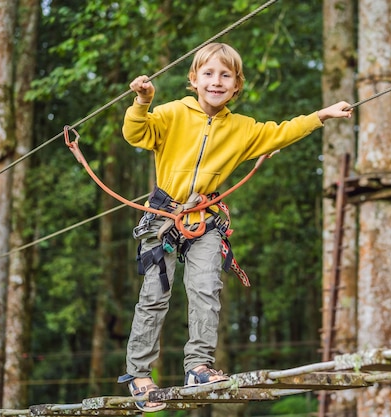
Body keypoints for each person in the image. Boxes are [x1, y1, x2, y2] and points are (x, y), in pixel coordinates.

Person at [117, 42, 352, 412]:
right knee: (154, 295)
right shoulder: (172, 113)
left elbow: (282, 132)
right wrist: (142, 102)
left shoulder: (242, 129)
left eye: (225, 75)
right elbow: (136, 134)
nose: (217, 81)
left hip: (205, 220)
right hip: (163, 217)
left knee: (206, 291)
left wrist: (321, 114)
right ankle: (139, 373)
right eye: (209, 74)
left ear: (237, 85)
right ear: (193, 80)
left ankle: (198, 366)